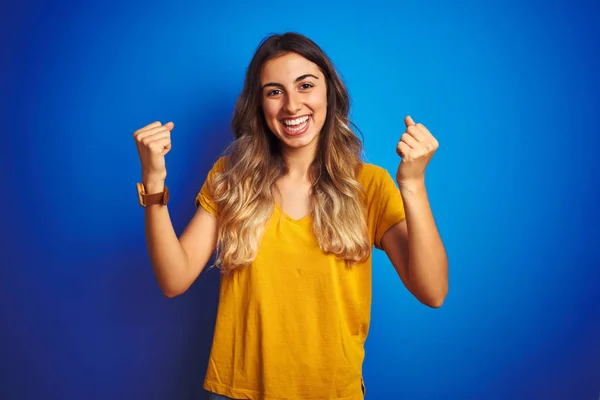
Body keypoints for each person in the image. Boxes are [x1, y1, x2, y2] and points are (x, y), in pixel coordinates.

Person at [133, 32, 448, 400]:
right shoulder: (230, 177)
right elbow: (174, 278)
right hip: (238, 393)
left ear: (329, 92)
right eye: (274, 91)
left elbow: (433, 290)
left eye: (306, 85)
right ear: (259, 103)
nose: (292, 105)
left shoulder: (369, 184)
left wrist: (412, 185)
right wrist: (153, 182)